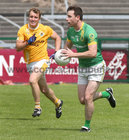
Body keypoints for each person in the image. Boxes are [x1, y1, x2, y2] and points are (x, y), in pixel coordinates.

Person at [63, 6, 116, 132]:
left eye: (69, 16)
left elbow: (92, 53)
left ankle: (86, 126)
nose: (67, 19)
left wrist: (73, 55)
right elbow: (67, 49)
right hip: (83, 68)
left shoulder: (89, 31)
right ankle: (106, 94)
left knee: (88, 97)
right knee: (82, 100)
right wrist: (59, 55)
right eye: (67, 16)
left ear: (77, 17)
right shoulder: (71, 31)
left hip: (96, 66)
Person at [16, 8, 63, 118]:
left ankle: (37, 107)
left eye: (35, 17)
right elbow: (18, 47)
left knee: (32, 80)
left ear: (39, 19)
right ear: (28, 17)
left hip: (43, 60)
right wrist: (28, 42)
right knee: (44, 89)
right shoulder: (23, 30)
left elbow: (57, 38)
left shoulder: (45, 29)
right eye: (31, 16)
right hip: (30, 63)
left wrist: (56, 52)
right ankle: (58, 103)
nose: (33, 19)